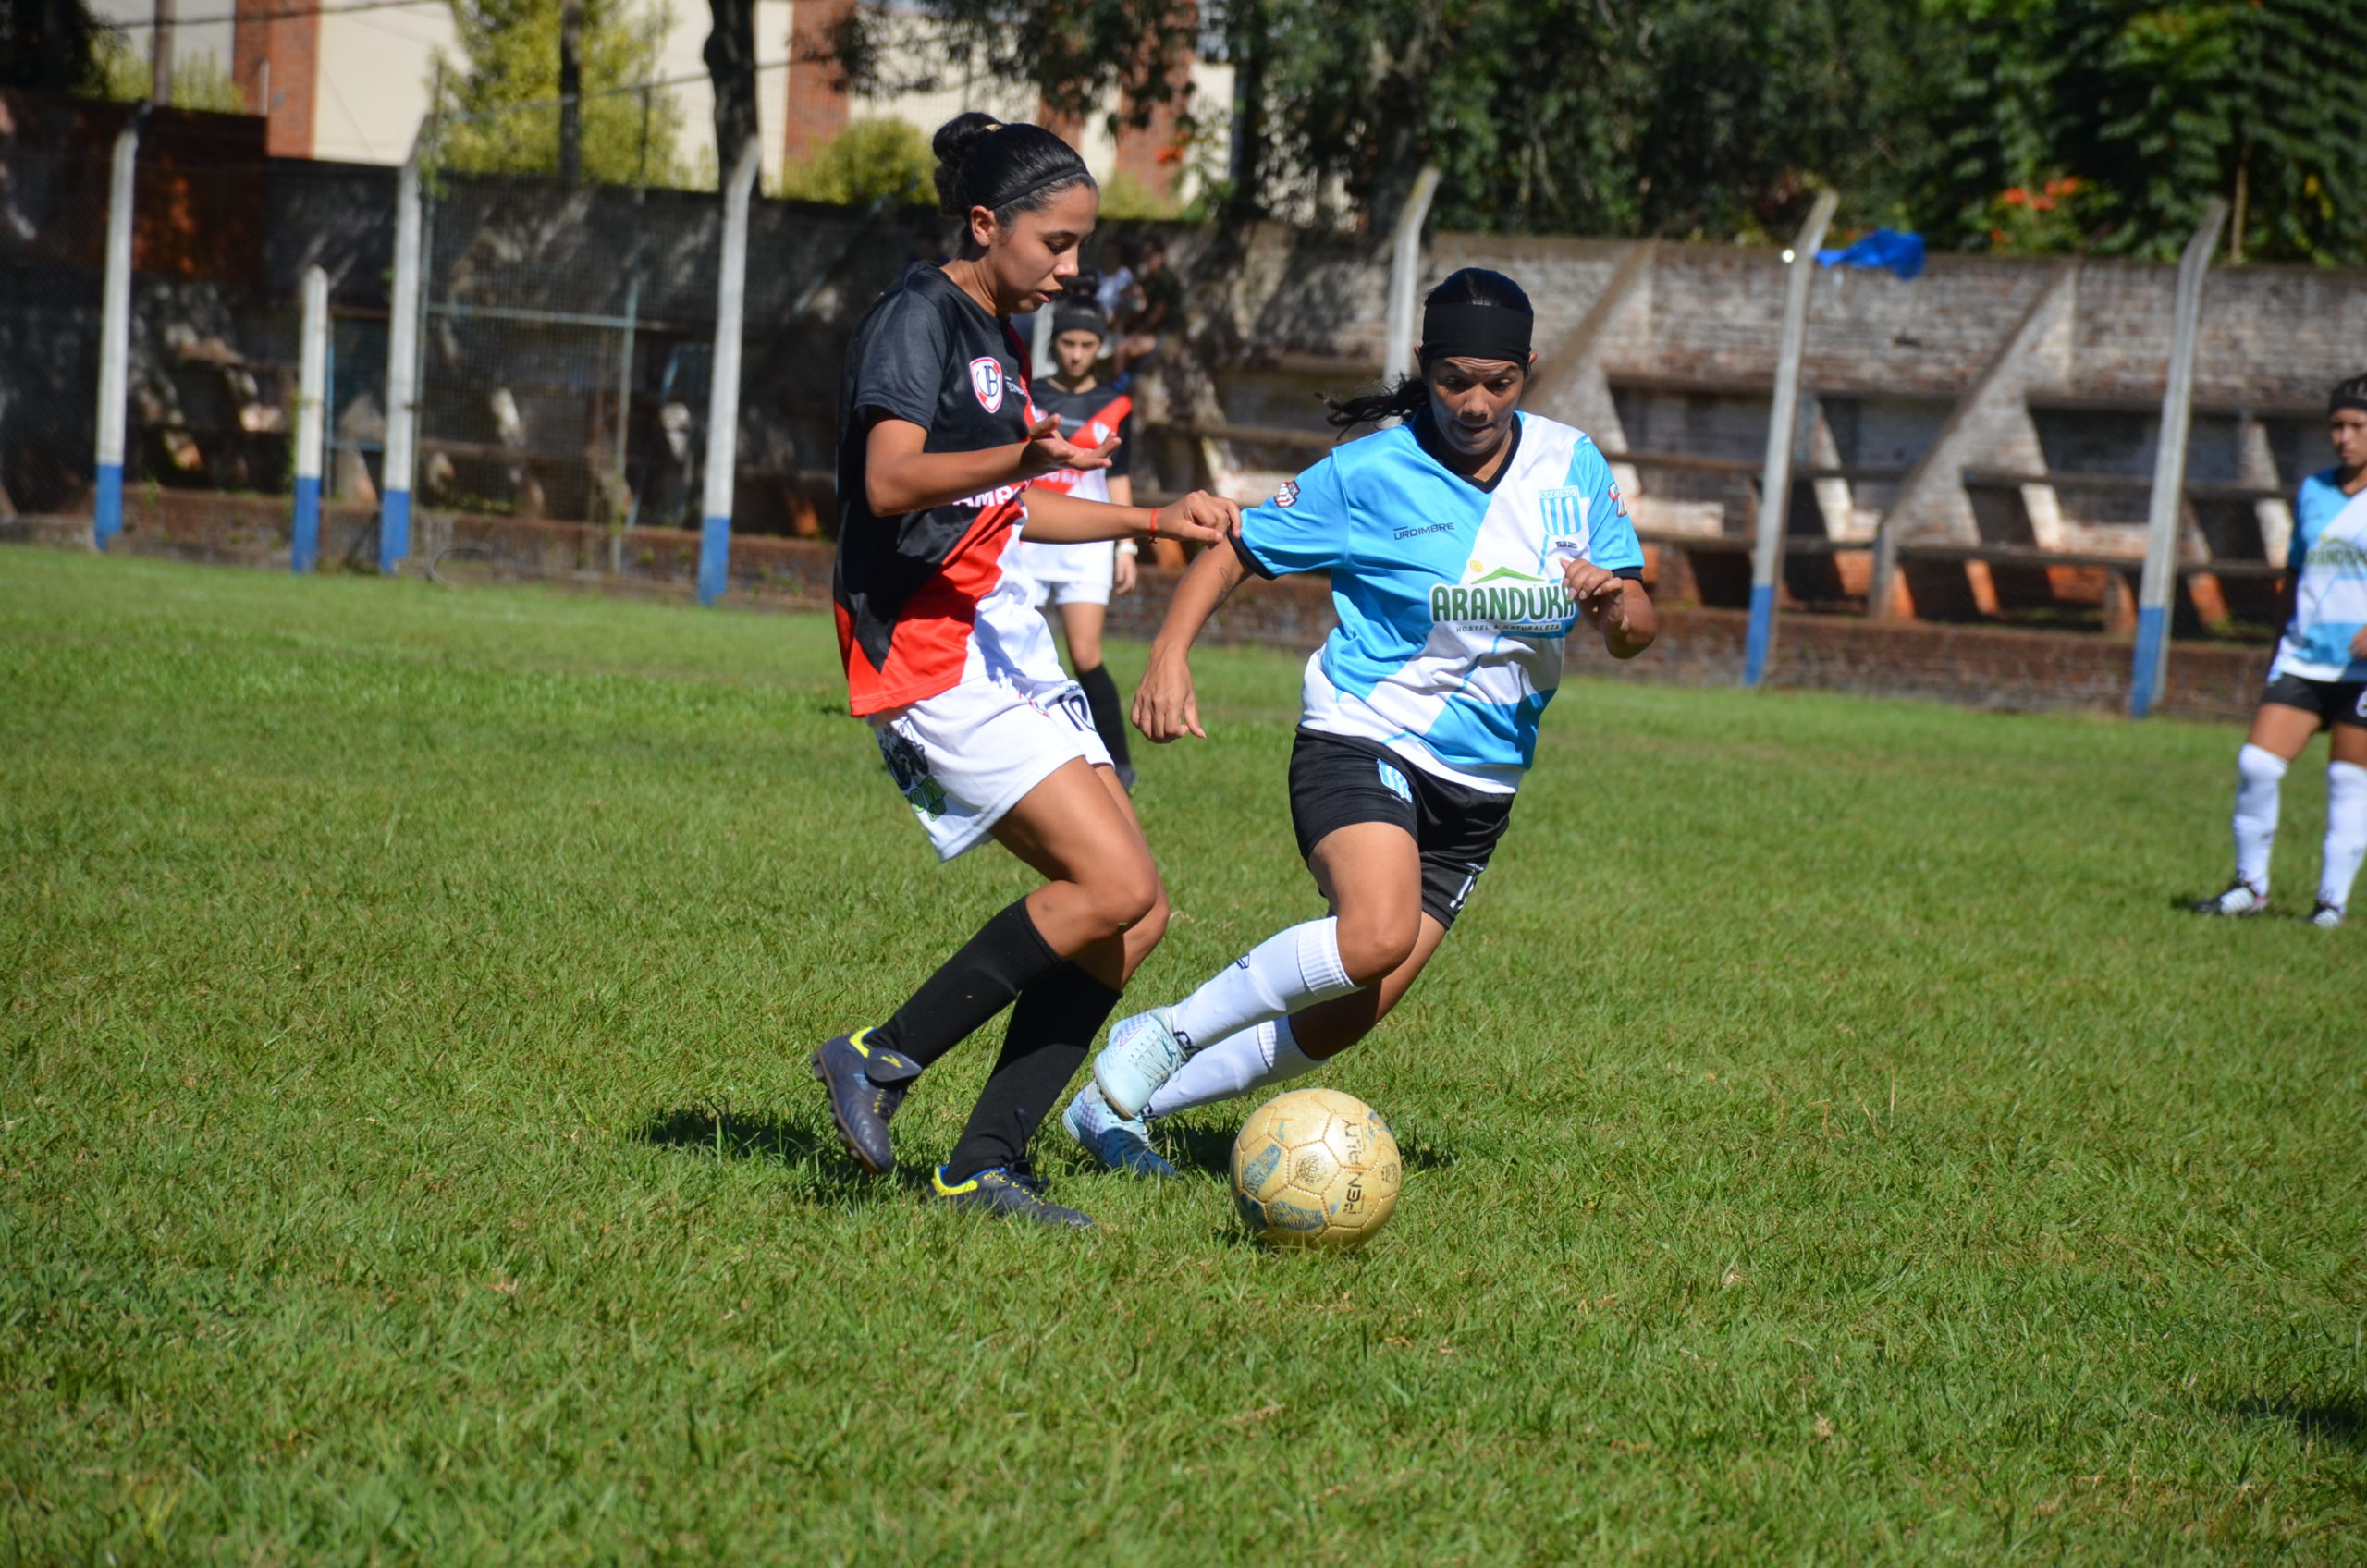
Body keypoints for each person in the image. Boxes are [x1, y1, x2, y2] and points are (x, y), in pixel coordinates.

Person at [1059, 268, 1659, 1176]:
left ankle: (1110, 1109)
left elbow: (1636, 630)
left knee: (1346, 1012)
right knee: (1370, 934)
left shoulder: (1571, 466)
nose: (1473, 401)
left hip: (1483, 785)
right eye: (1454, 378)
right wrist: (1169, 653)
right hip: (1363, 733)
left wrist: (1612, 601)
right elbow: (1237, 550)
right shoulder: (1370, 471)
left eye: (1498, 381)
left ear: (1527, 371)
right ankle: (1167, 1038)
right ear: (1423, 365)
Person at [816, 112, 1239, 1226]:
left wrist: (1150, 515)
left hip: (1000, 642)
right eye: (1054, 243)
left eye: (1082, 247)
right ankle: (880, 1054)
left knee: (1132, 919)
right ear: (986, 223)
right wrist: (1021, 452)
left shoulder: (994, 329)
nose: (1071, 267)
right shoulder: (917, 319)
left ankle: (982, 1165)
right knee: (1110, 887)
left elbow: (1007, 505)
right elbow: (892, 480)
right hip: (925, 648)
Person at [2192, 373, 2367, 927]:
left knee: (2347, 782)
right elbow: (2294, 574)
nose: (2343, 438)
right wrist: (2278, 644)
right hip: (2304, 657)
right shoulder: (2314, 491)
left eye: (2356, 426)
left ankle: (2330, 905)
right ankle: (2251, 886)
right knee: (2258, 765)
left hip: (2362, 671)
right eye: (2336, 426)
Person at [1011, 297, 1141, 789]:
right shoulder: (1028, 393)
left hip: (1088, 546)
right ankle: (1026, 758)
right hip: (1030, 536)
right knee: (1018, 652)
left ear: (1100, 347)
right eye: (1068, 342)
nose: (1077, 353)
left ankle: (1118, 766)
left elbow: (1119, 477)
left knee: (1086, 655)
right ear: (1054, 343)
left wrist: (1125, 547)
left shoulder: (1117, 402)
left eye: (1087, 344)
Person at [1114, 236, 1179, 380]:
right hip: (1145, 330)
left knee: (1122, 350)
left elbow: (1159, 312)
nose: (1146, 259)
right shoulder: (1149, 280)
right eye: (1144, 255)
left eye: (1150, 255)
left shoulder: (1165, 279)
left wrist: (1140, 330)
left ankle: (1120, 388)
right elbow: (1138, 304)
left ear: (1161, 256)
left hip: (1163, 333)